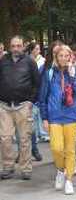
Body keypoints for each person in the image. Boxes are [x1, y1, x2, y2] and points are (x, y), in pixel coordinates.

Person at [39, 45, 76, 195]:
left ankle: (69, 179)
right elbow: (42, 98)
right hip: (54, 116)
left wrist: (71, 75)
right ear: (56, 58)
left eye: (66, 56)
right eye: (61, 56)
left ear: (71, 57)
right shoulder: (49, 73)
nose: (64, 58)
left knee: (70, 149)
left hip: (71, 115)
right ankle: (60, 170)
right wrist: (44, 118)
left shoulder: (75, 72)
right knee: (56, 148)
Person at [0, 36, 41, 180]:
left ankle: (26, 168)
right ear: (9, 47)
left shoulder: (30, 62)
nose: (15, 49)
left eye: (18, 46)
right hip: (5, 106)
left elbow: (37, 83)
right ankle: (7, 167)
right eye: (13, 46)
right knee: (5, 138)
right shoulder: (3, 61)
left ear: (23, 46)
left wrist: (31, 101)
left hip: (23, 105)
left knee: (24, 139)